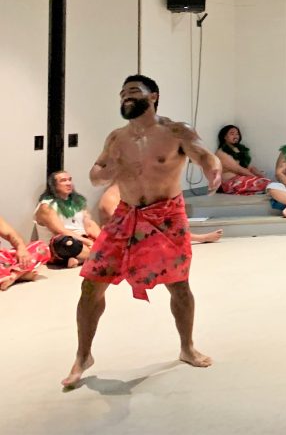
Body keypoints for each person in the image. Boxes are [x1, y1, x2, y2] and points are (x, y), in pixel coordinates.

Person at [61, 74, 222, 387]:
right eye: (122, 93)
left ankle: (187, 347)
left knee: (178, 285)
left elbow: (204, 155)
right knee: (92, 284)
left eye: (133, 91)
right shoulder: (116, 138)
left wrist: (212, 170)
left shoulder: (176, 130)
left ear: (153, 96)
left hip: (166, 216)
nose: (126, 96)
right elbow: (96, 174)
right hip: (126, 215)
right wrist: (111, 169)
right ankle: (83, 355)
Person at [98, 184, 223, 244]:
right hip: (120, 236)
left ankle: (197, 238)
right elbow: (121, 223)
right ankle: (200, 238)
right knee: (160, 226)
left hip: (129, 230)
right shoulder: (112, 195)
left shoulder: (127, 192)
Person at [34, 171, 101, 267]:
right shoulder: (46, 206)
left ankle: (79, 259)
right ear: (54, 185)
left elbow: (89, 224)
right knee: (67, 243)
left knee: (106, 239)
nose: (69, 183)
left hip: (82, 240)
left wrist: (102, 241)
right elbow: (60, 231)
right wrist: (88, 242)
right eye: (63, 181)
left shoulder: (79, 202)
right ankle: (97, 255)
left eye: (70, 180)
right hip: (62, 243)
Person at [215, 125, 271, 195]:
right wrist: (256, 178)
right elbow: (238, 169)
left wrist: (261, 176)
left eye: (237, 134)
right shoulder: (221, 153)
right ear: (224, 137)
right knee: (262, 184)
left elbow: (249, 167)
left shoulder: (239, 149)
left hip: (242, 177)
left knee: (267, 181)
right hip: (229, 181)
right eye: (232, 134)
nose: (236, 136)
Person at [1, 215, 49, 291]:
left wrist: (21, 249)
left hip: (5, 260)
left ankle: (15, 275)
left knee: (42, 247)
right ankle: (21, 274)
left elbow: (11, 234)